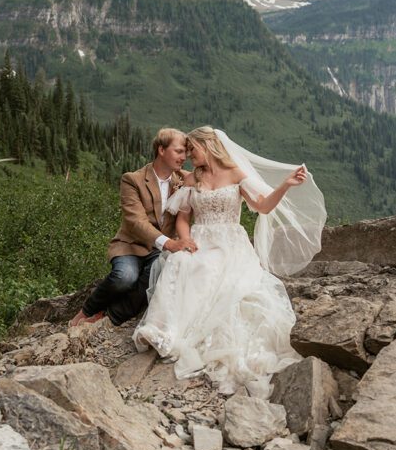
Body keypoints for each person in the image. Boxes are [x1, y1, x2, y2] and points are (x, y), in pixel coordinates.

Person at [133, 126, 326, 398]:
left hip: (230, 243)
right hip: (200, 240)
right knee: (182, 264)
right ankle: (164, 331)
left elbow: (263, 207)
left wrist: (285, 184)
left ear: (208, 146)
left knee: (221, 277)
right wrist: (185, 241)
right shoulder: (192, 179)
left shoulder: (235, 173)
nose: (189, 155)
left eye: (192, 149)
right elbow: (183, 218)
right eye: (185, 150)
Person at [70, 128, 194, 327]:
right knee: (125, 278)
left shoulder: (183, 180)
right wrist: (169, 243)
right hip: (131, 245)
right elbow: (136, 222)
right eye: (179, 151)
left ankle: (110, 317)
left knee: (156, 276)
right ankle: (87, 310)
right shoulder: (132, 179)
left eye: (186, 152)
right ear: (161, 150)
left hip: (159, 251)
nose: (184, 157)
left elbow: (209, 176)